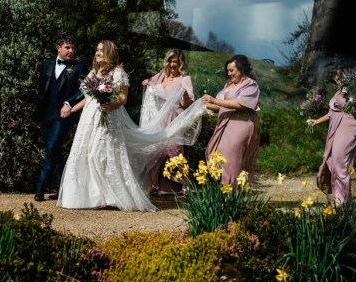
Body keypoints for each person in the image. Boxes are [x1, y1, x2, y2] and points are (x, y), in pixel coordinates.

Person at [57, 40, 206, 211]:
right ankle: (94, 196)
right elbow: (88, 98)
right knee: (86, 152)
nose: (97, 53)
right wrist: (72, 108)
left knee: (99, 153)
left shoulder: (118, 73)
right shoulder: (93, 73)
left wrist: (109, 105)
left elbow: (123, 98)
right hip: (89, 118)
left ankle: (114, 195)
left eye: (101, 50)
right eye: (97, 50)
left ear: (109, 53)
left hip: (108, 117)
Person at [33, 34, 88, 202]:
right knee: (55, 153)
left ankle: (39, 189)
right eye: (67, 47)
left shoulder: (79, 67)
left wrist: (69, 104)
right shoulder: (45, 64)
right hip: (46, 116)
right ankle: (63, 189)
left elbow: (83, 91)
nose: (71, 51)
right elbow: (42, 90)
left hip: (63, 116)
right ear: (58, 48)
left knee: (51, 150)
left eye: (73, 48)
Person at [307, 68, 356, 204]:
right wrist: (316, 121)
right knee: (333, 161)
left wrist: (354, 105)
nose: (336, 81)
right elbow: (331, 113)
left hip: (350, 128)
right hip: (337, 127)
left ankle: (341, 200)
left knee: (340, 162)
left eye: (337, 78)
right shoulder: (338, 92)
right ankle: (342, 196)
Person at [140, 49, 195, 195]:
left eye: (175, 62)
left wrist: (184, 94)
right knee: (157, 151)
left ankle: (184, 183)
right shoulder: (161, 76)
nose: (172, 64)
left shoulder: (184, 79)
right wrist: (146, 82)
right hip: (158, 119)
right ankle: (155, 184)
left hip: (175, 118)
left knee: (173, 151)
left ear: (181, 63)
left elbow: (189, 102)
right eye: (170, 61)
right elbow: (146, 82)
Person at [201, 55, 260, 186]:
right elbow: (221, 105)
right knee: (217, 155)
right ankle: (223, 190)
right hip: (224, 125)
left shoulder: (251, 85)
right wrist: (203, 105)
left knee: (232, 158)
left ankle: (233, 192)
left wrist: (215, 100)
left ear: (241, 69)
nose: (229, 73)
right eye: (228, 70)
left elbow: (241, 104)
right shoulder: (228, 84)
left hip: (240, 125)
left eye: (232, 70)